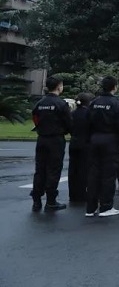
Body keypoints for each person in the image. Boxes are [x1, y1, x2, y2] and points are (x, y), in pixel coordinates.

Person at [86, 76, 119, 217]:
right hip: (110, 140)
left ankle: (90, 208)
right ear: (114, 87)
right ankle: (106, 206)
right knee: (108, 174)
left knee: (93, 174)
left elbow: (88, 122)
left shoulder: (94, 102)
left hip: (94, 139)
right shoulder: (116, 103)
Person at [31, 77, 72, 212]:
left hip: (42, 138)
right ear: (59, 86)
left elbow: (35, 119)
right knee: (53, 170)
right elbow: (68, 123)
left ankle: (36, 201)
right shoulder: (61, 104)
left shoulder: (40, 103)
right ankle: (51, 200)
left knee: (40, 169)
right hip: (56, 139)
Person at [68, 92, 93, 204]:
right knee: (84, 169)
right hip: (86, 144)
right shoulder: (89, 114)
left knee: (73, 169)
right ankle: (82, 193)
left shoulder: (72, 113)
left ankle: (73, 194)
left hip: (74, 142)